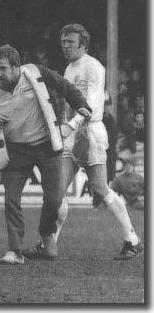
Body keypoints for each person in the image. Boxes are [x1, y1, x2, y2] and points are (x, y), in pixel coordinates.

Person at [0, 44, 91, 264]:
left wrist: (81, 105)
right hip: (15, 150)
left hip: (47, 146)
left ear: (17, 66)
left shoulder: (36, 73)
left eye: (3, 68)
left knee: (55, 199)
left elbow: (65, 86)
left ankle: (46, 233)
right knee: (11, 200)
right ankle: (14, 251)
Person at [43, 24, 142, 260]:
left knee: (100, 188)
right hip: (73, 134)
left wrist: (72, 125)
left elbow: (94, 103)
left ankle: (132, 239)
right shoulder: (69, 69)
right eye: (64, 41)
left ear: (83, 45)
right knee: (58, 190)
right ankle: (49, 243)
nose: (66, 45)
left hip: (91, 132)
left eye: (71, 42)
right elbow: (68, 104)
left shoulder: (94, 67)